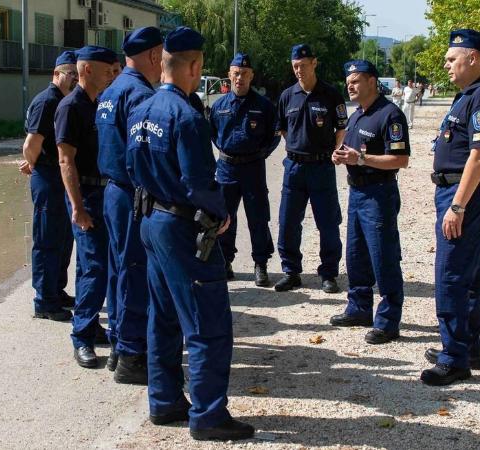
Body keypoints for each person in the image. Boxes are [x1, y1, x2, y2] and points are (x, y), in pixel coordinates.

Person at [127, 26, 254, 441]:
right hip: (182, 228)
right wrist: (220, 213)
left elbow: (131, 169)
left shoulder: (141, 109)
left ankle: (164, 401)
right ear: (194, 66)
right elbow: (200, 181)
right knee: (207, 323)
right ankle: (208, 415)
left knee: (163, 316)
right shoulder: (186, 116)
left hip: (150, 221)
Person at [421, 29, 480, 386]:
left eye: (452, 58)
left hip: (463, 192)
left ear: (473, 58)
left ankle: (454, 358)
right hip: (457, 189)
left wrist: (457, 206)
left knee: (451, 274)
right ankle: (465, 347)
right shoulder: (469, 95)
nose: (446, 64)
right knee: (467, 273)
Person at [96, 26, 163, 384]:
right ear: (154, 56)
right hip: (132, 193)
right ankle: (132, 355)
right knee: (134, 270)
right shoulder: (138, 94)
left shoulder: (111, 90)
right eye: (162, 54)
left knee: (118, 269)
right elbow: (144, 154)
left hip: (113, 192)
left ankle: (119, 345)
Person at [331, 60, 410, 344]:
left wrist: (361, 159)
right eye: (348, 82)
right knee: (356, 255)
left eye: (355, 81)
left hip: (379, 194)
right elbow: (351, 149)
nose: (349, 86)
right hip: (357, 193)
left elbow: (400, 160)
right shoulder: (357, 115)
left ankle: (388, 321)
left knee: (383, 257)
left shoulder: (390, 115)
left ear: (372, 82)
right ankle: (359, 307)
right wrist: (341, 155)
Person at [55, 45, 117, 368]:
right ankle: (81, 337)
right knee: (95, 266)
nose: (111, 74)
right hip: (86, 196)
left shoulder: (100, 104)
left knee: (91, 265)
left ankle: (90, 325)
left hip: (104, 194)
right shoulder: (71, 107)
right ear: (87, 70)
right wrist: (77, 207)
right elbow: (66, 161)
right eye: (106, 69)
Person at [274, 44, 347, 293]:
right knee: (288, 222)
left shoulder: (330, 94)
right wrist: (296, 147)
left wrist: (328, 151)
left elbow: (341, 129)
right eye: (295, 66)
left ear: (314, 63)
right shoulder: (287, 96)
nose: (298, 71)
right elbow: (283, 128)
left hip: (321, 167)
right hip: (294, 167)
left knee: (327, 223)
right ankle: (291, 271)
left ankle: (329, 273)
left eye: (303, 66)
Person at [208, 52, 280, 287]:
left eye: (245, 74)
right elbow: (212, 134)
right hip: (227, 167)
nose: (240, 78)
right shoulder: (219, 105)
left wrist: (261, 154)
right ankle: (226, 262)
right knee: (225, 218)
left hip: (253, 168)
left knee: (258, 218)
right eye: (236, 73)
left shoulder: (264, 106)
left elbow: (275, 135)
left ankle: (261, 264)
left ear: (251, 76)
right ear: (229, 75)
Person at [20, 50, 79, 322]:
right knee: (47, 239)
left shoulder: (66, 100)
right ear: (56, 74)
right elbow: (31, 145)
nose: (74, 80)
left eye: (77, 76)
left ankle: (56, 290)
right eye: (70, 75)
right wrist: (32, 164)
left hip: (60, 177)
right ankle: (44, 300)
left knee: (64, 238)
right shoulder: (47, 102)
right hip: (48, 177)